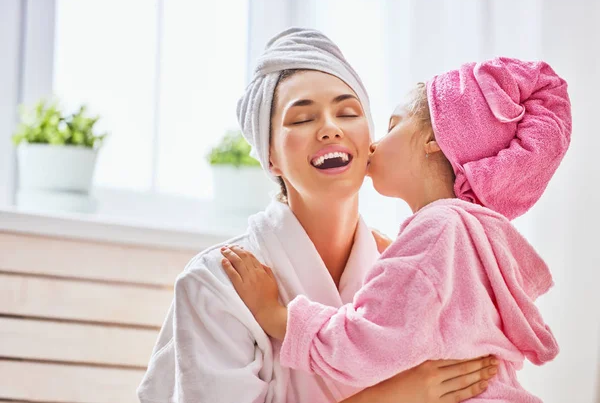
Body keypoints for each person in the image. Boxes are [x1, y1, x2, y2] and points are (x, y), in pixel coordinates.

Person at [137, 27, 497, 403]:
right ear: (270, 156)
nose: (330, 128)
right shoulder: (216, 283)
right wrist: (394, 396)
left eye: (348, 112)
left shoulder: (413, 270)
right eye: (302, 119)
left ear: (370, 140)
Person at [221, 57, 571, 402]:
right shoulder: (468, 234)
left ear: (433, 139)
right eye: (302, 118)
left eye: (392, 126)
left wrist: (275, 314)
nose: (372, 144)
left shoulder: (437, 231)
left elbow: (363, 345)